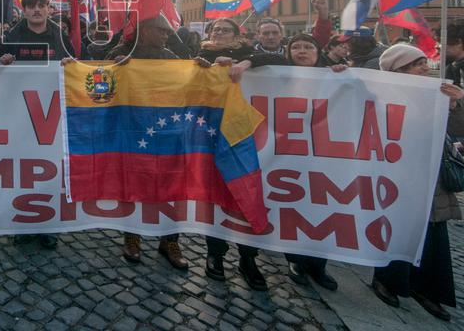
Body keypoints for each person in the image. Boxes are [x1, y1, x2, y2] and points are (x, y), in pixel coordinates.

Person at [369, 44, 462, 321]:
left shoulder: (439, 94)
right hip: (396, 176)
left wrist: (456, 105)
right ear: (399, 70)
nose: (425, 67)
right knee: (396, 230)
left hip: (431, 179)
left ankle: (428, 291)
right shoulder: (379, 95)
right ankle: (387, 281)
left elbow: (457, 129)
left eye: (423, 62)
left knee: (434, 235)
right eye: (417, 64)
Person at [106, 15, 189, 271]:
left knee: (172, 186)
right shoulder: (119, 52)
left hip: (166, 131)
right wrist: (114, 67)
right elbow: (99, 85)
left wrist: (202, 69)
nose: (166, 36)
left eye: (167, 32)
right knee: (133, 183)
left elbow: (187, 84)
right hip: (132, 130)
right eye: (161, 31)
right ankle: (132, 237)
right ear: (145, 31)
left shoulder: (171, 57)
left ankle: (170, 241)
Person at [196, 17, 268, 290]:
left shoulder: (248, 53)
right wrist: (205, 67)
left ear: (237, 34)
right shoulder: (202, 53)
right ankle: (215, 253)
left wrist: (244, 64)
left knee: (246, 192)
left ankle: (248, 259)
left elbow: (276, 59)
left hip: (245, 135)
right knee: (214, 193)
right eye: (216, 29)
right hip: (211, 133)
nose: (220, 33)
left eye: (226, 30)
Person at [0, 0, 75, 250]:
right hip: (21, 111)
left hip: (52, 114)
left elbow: (78, 61)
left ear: (48, 9)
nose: (36, 10)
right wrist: (4, 61)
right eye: (31, 6)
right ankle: (23, 223)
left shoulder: (59, 35)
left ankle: (48, 224)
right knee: (22, 169)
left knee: (51, 169)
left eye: (41, 5)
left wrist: (70, 63)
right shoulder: (13, 35)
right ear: (24, 10)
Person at [281, 33, 346, 291]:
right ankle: (295, 260)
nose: (301, 51)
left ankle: (319, 265)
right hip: (289, 152)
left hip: (325, 155)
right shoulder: (276, 74)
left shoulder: (334, 75)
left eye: (308, 47)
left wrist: (343, 74)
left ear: (318, 52)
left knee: (322, 208)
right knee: (294, 207)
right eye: (295, 47)